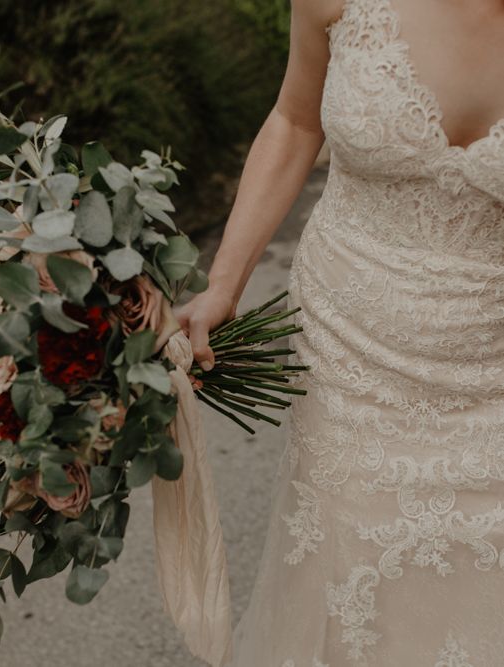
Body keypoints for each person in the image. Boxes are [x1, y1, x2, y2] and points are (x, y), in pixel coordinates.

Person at [176, 0, 504, 664]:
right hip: (350, 345)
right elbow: (294, 121)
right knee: (352, 568)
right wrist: (224, 284)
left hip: (492, 355)